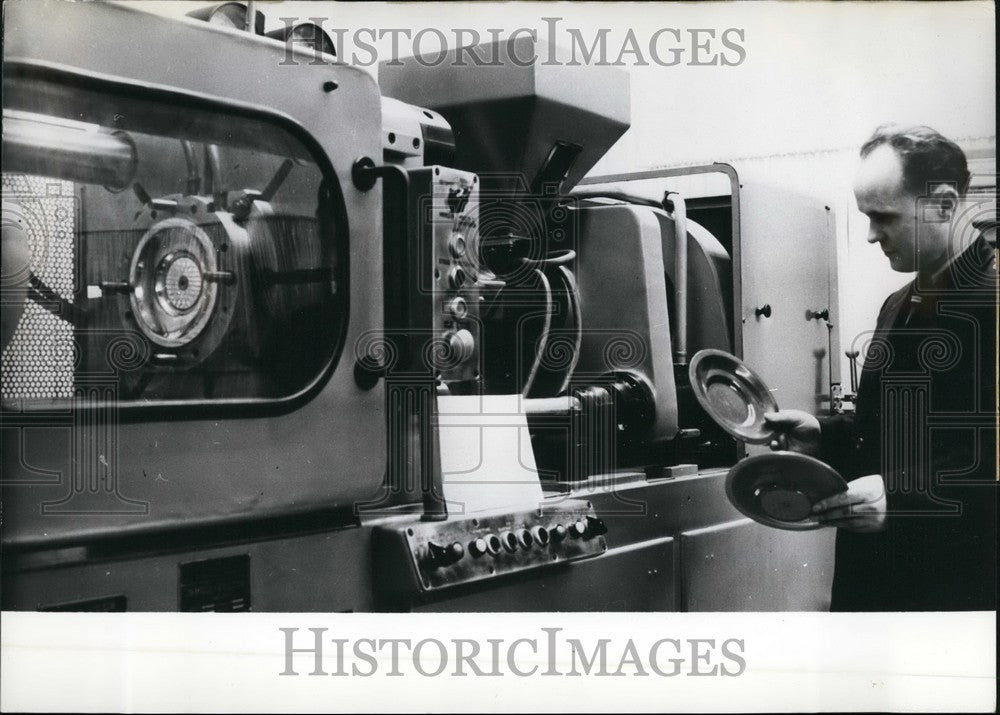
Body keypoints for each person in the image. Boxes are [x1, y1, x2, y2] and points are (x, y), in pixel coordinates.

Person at [765, 124, 996, 611]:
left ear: (945, 204)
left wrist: (903, 500)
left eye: (883, 217)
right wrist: (824, 433)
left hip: (955, 591)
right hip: (874, 577)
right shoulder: (898, 303)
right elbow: (893, 429)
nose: (871, 235)